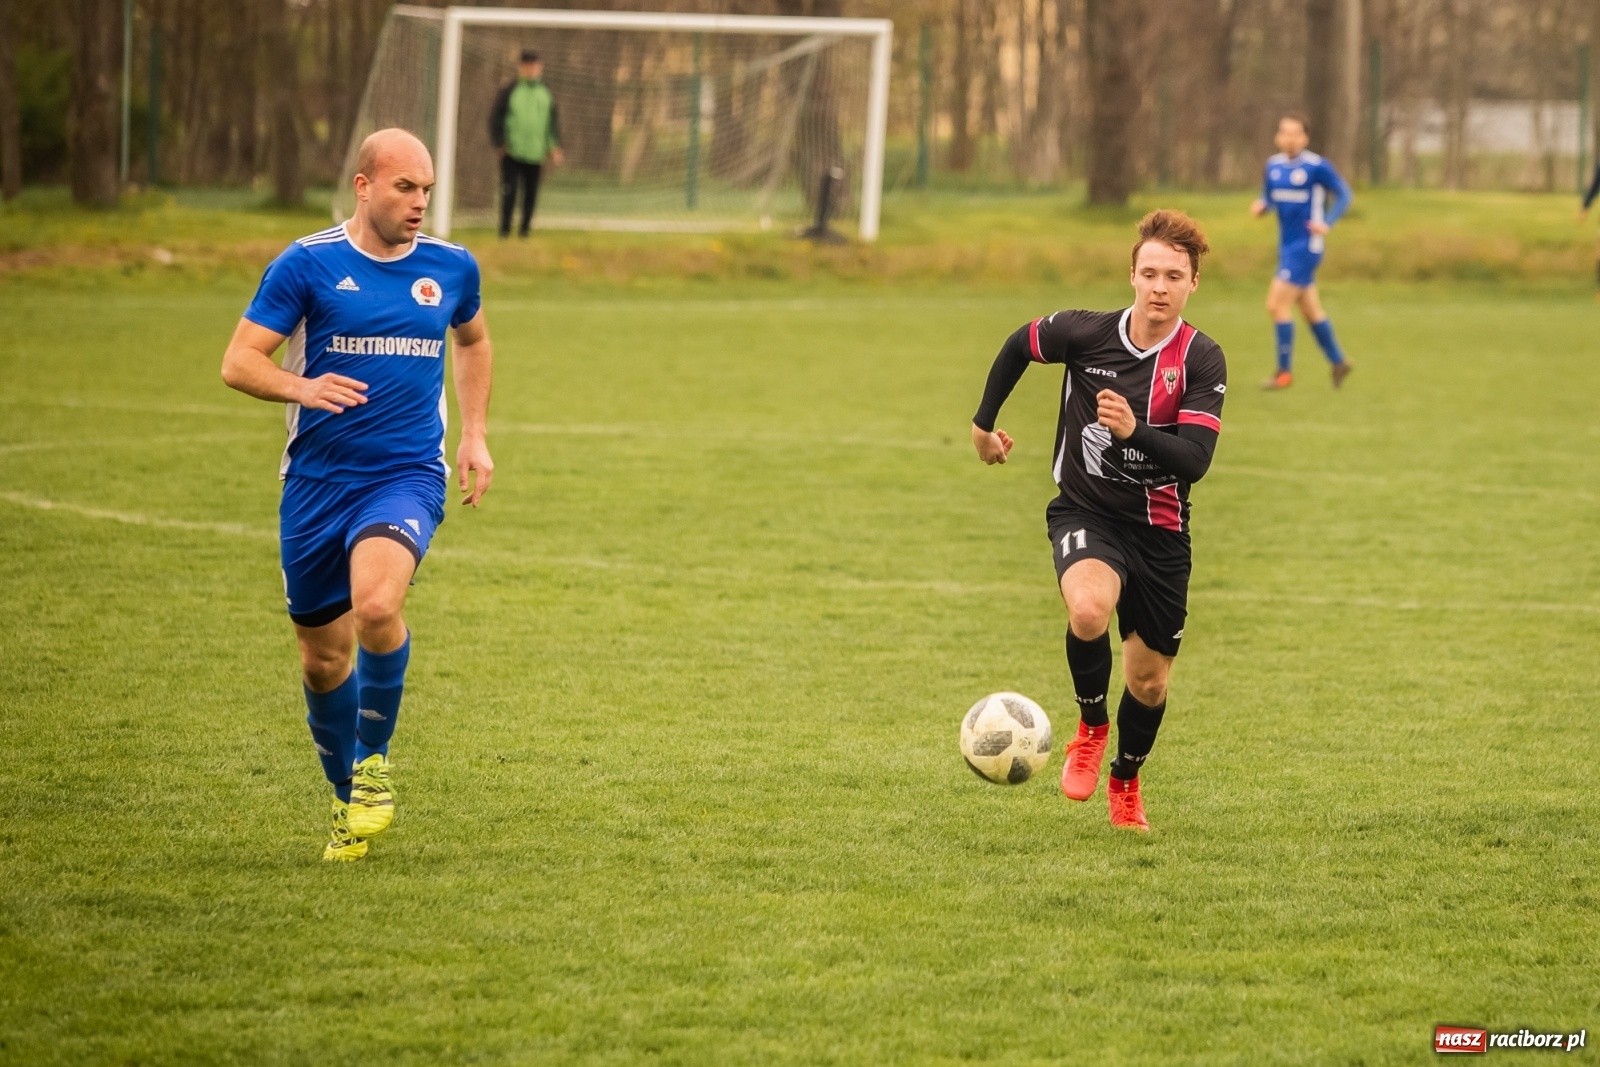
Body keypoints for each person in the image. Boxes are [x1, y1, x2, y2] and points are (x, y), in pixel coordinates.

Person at [220, 128, 495, 861]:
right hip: (315, 483)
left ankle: (372, 762)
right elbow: (239, 360)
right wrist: (301, 386)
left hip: (405, 475)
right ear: (364, 185)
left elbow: (471, 340)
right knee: (322, 659)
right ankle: (346, 801)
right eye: (406, 187)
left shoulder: (450, 267)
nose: (420, 202)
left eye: (427, 189)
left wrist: (473, 435)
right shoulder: (306, 264)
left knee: (377, 603)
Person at [970, 210, 1226, 833]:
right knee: (1087, 610)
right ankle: (1089, 727)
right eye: (1149, 273)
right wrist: (983, 425)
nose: (1159, 287)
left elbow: (1194, 462)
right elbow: (1017, 344)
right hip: (1087, 512)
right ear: (1131, 276)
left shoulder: (1201, 359)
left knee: (1149, 683)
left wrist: (1135, 429)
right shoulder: (1085, 334)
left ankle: (1125, 781)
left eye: (1174, 275)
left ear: (1193, 283)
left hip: (1162, 534)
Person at [1250, 112, 1353, 390]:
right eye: (1285, 132)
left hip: (1307, 247)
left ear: (1305, 138)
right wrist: (1262, 206)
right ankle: (1338, 361)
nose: (1290, 138)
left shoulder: (1317, 166)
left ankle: (1284, 374)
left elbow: (1345, 194)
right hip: (1287, 247)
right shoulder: (1273, 166)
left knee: (1276, 304)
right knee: (1310, 310)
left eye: (1296, 133)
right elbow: (1269, 197)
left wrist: (1326, 223)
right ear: (1277, 137)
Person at [489, 50, 564, 239]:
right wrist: (500, 142)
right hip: (512, 151)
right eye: (528, 66)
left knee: (531, 193)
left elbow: (552, 123)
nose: (532, 70)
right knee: (509, 191)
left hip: (536, 152)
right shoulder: (509, 90)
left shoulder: (545, 92)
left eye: (535, 66)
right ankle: (504, 230)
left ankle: (525, 231)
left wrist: (553, 146)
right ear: (521, 67)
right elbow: (496, 117)